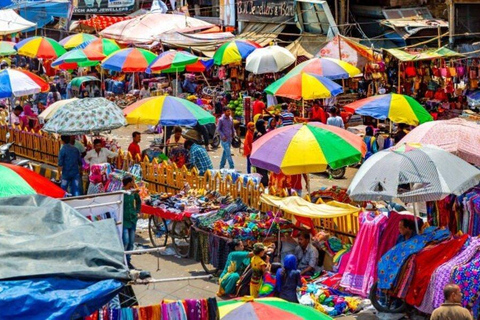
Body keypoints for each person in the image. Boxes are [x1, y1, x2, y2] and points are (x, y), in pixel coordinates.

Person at [122, 176, 141, 270]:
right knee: (125, 241)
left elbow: (138, 201)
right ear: (129, 182)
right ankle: (123, 261)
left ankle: (128, 261)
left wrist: (137, 212)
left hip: (132, 219)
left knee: (131, 242)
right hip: (124, 220)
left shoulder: (133, 192)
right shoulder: (121, 193)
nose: (134, 183)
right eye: (132, 181)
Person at [253, 119, 269, 186]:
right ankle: (262, 184)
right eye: (263, 125)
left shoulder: (265, 132)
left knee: (264, 170)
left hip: (265, 155)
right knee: (261, 171)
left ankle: (263, 183)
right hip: (259, 155)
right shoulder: (257, 134)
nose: (265, 126)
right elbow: (254, 143)